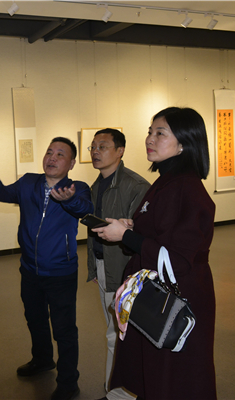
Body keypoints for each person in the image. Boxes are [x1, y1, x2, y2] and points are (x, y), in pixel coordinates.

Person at [92, 107, 217, 400]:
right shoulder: (167, 180)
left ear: (184, 143)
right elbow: (163, 233)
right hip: (158, 295)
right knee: (155, 369)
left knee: (174, 375)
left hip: (178, 298)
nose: (150, 138)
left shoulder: (187, 188)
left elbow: (178, 259)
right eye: (150, 131)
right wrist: (133, 228)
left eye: (161, 133)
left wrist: (126, 236)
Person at [0, 137, 93, 400]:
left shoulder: (77, 188)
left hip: (61, 272)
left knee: (64, 330)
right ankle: (42, 359)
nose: (52, 157)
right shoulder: (29, 182)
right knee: (35, 319)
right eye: (50, 152)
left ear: (71, 163)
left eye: (60, 154)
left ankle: (68, 382)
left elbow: (86, 209)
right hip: (29, 269)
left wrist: (69, 200)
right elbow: (7, 194)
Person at [86, 129, 150, 396]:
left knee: (120, 335)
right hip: (105, 267)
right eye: (92, 146)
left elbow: (143, 236)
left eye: (102, 146)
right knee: (113, 333)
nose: (95, 151)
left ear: (120, 151)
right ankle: (114, 391)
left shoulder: (136, 186)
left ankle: (118, 394)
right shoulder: (96, 186)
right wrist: (95, 267)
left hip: (126, 271)